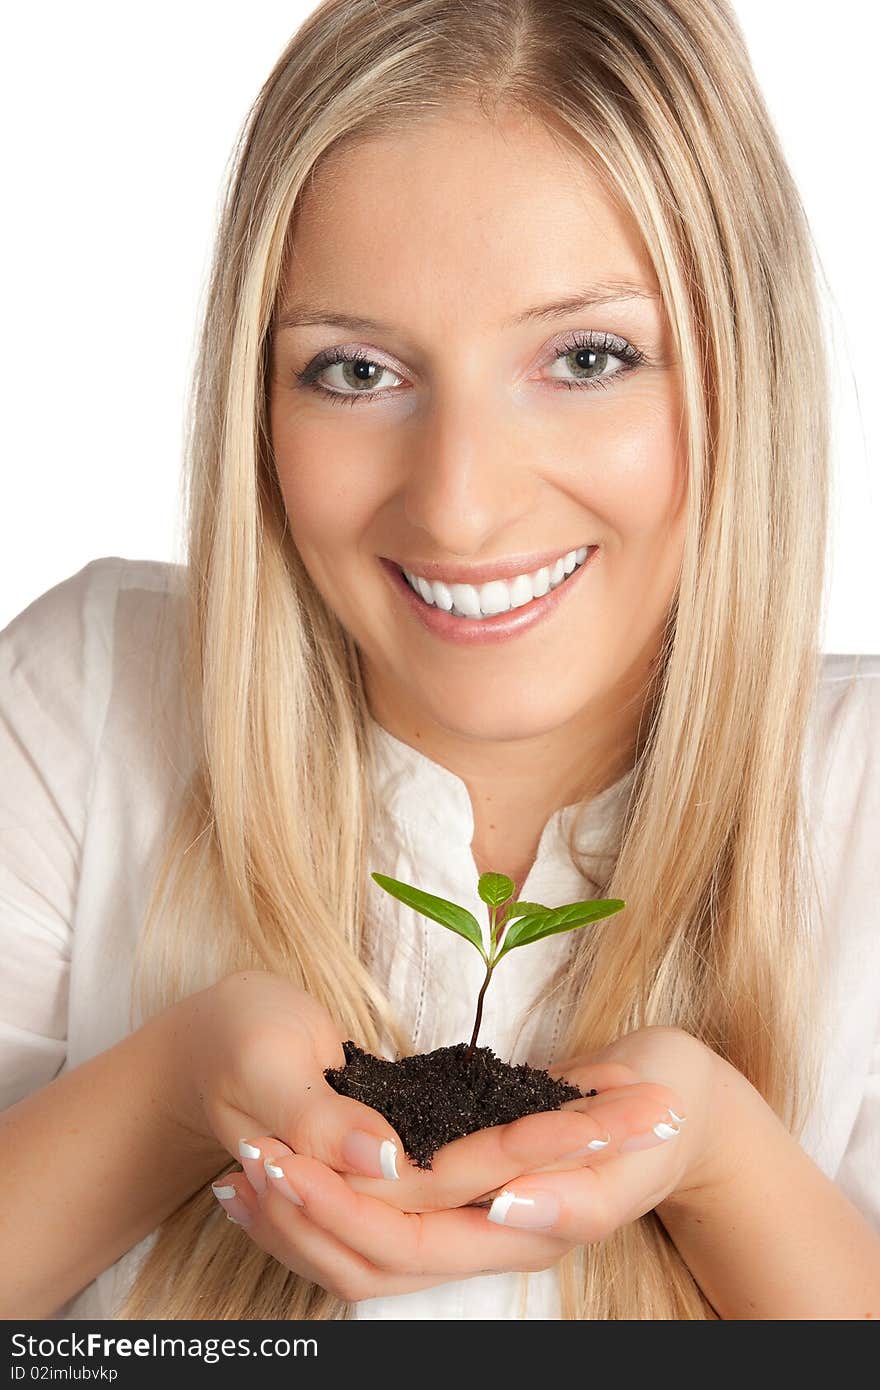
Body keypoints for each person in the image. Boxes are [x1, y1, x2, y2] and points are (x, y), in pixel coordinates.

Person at [1, 0, 879, 1322]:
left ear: (740, 372)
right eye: (355, 370)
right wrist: (170, 1089)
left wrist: (726, 1168)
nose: (459, 504)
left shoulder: (862, 803)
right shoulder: (85, 701)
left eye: (588, 357)